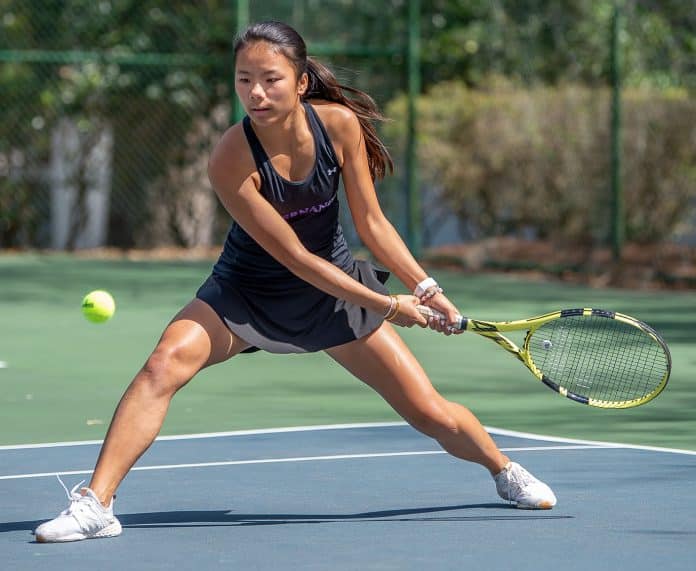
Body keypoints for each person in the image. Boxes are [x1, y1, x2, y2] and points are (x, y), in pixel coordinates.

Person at [34, 20, 556, 543]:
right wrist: (390, 305)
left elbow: (372, 225)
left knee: (430, 412)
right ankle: (96, 504)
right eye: (243, 80)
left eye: (270, 79)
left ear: (301, 81)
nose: (255, 93)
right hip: (246, 290)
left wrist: (426, 288)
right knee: (162, 365)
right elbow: (293, 257)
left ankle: (502, 469)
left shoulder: (339, 127)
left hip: (334, 295)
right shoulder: (230, 156)